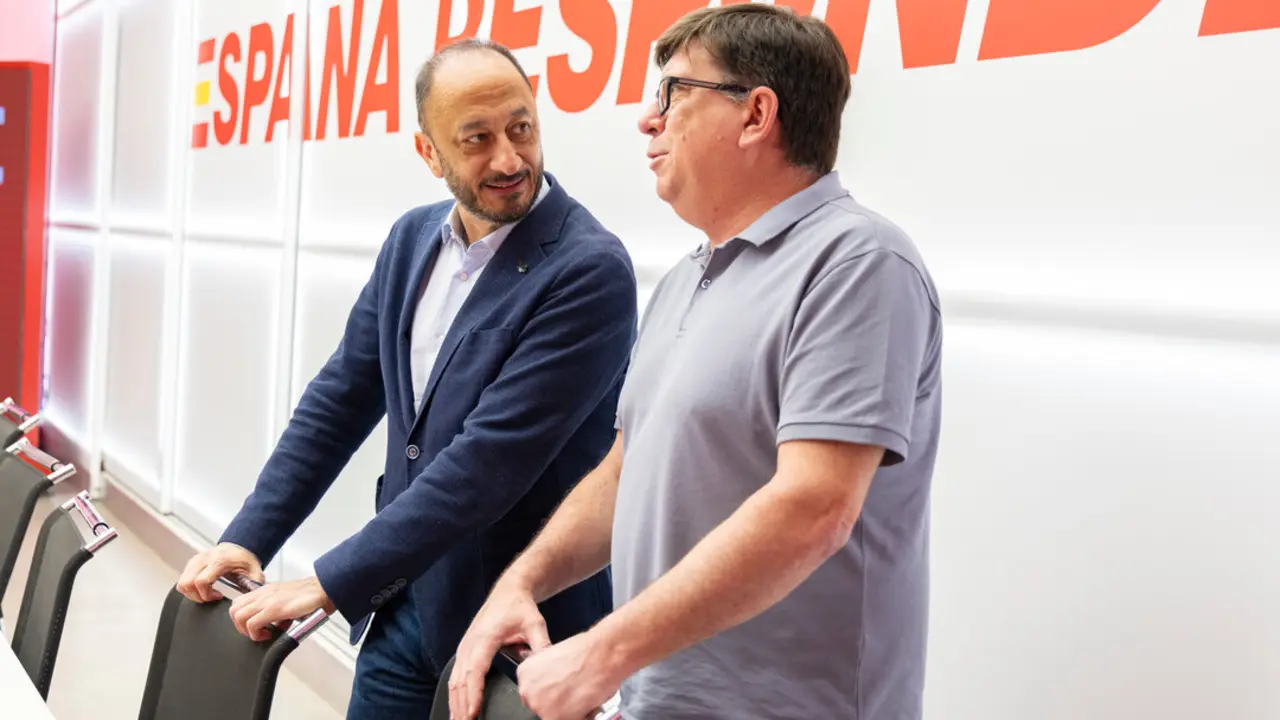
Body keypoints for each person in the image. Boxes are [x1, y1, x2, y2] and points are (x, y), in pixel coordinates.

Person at [447, 5, 943, 720]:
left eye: (673, 93)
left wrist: (601, 652)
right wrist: (521, 583)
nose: (649, 121)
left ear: (755, 115)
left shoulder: (859, 263)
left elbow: (815, 506)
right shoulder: (689, 276)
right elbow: (624, 469)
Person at [175, 38, 638, 719]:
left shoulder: (588, 270)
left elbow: (487, 464)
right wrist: (249, 536)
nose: (509, 159)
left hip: (516, 636)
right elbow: (339, 402)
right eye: (476, 139)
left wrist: (330, 582)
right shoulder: (412, 241)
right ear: (429, 153)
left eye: (521, 128)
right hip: (405, 604)